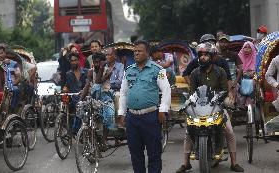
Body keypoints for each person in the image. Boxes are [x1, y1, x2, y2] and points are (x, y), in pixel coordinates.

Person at [176, 43, 244, 173]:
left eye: (206, 55)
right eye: (201, 55)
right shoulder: (195, 72)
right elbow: (192, 92)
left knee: (229, 131)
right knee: (188, 131)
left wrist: (223, 100)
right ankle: (185, 163)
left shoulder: (220, 71)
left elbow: (225, 90)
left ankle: (234, 163)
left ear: (212, 57)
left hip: (217, 105)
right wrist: (188, 102)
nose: (203, 57)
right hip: (200, 106)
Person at [118, 40, 171, 173]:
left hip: (151, 117)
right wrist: (121, 113)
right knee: (136, 155)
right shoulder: (128, 70)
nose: (136, 53)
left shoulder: (157, 70)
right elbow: (123, 93)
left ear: (147, 53)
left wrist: (163, 110)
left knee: (154, 154)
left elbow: (166, 90)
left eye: (139, 51)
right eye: (135, 51)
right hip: (132, 118)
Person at [65, 52, 88, 134]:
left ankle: (75, 129)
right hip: (73, 99)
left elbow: (89, 84)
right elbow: (67, 86)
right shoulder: (68, 74)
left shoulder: (86, 72)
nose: (73, 62)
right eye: (72, 61)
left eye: (75, 60)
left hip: (84, 98)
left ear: (78, 61)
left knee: (81, 106)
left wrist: (84, 91)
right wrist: (65, 89)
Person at [0, 44, 21, 112]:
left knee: (16, 90)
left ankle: (12, 109)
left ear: (5, 53)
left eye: (1, 53)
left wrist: (11, 85)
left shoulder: (14, 64)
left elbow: (18, 77)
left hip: (10, 85)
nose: (0, 55)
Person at [104, 47, 124, 115]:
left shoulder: (120, 66)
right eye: (106, 55)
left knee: (117, 96)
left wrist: (108, 84)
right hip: (104, 91)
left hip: (115, 91)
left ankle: (118, 119)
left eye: (109, 55)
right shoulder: (103, 67)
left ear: (115, 56)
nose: (107, 57)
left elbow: (120, 82)